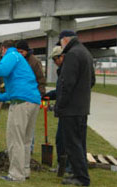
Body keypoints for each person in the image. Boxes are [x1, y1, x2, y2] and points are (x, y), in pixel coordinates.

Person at [0, 40, 41, 182]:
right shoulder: (20, 59)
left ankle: (16, 175)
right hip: (33, 101)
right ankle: (24, 171)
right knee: (26, 140)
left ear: (3, 48)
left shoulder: (11, 54)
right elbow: (18, 85)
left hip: (21, 103)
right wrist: (1, 97)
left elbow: (1, 71)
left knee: (15, 139)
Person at [55, 30, 95, 187]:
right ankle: (80, 172)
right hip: (82, 107)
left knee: (72, 143)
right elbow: (92, 80)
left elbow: (67, 83)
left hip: (71, 109)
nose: (61, 45)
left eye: (60, 42)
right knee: (80, 142)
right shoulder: (85, 52)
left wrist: (61, 104)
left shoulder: (72, 54)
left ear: (65, 39)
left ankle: (81, 177)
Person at [44, 45, 71, 176]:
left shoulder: (67, 71)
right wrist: (48, 95)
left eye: (55, 59)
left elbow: (66, 92)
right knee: (60, 139)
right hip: (63, 110)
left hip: (68, 111)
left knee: (64, 139)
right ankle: (62, 165)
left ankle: (67, 166)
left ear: (62, 56)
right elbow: (59, 91)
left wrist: (59, 104)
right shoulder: (61, 71)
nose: (55, 62)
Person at [16, 39, 46, 153]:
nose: (19, 54)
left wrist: (39, 95)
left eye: (21, 51)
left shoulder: (34, 62)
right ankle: (19, 148)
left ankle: (29, 148)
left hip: (32, 97)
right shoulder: (16, 61)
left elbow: (41, 79)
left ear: (26, 51)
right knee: (19, 124)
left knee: (29, 125)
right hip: (19, 97)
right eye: (17, 51)